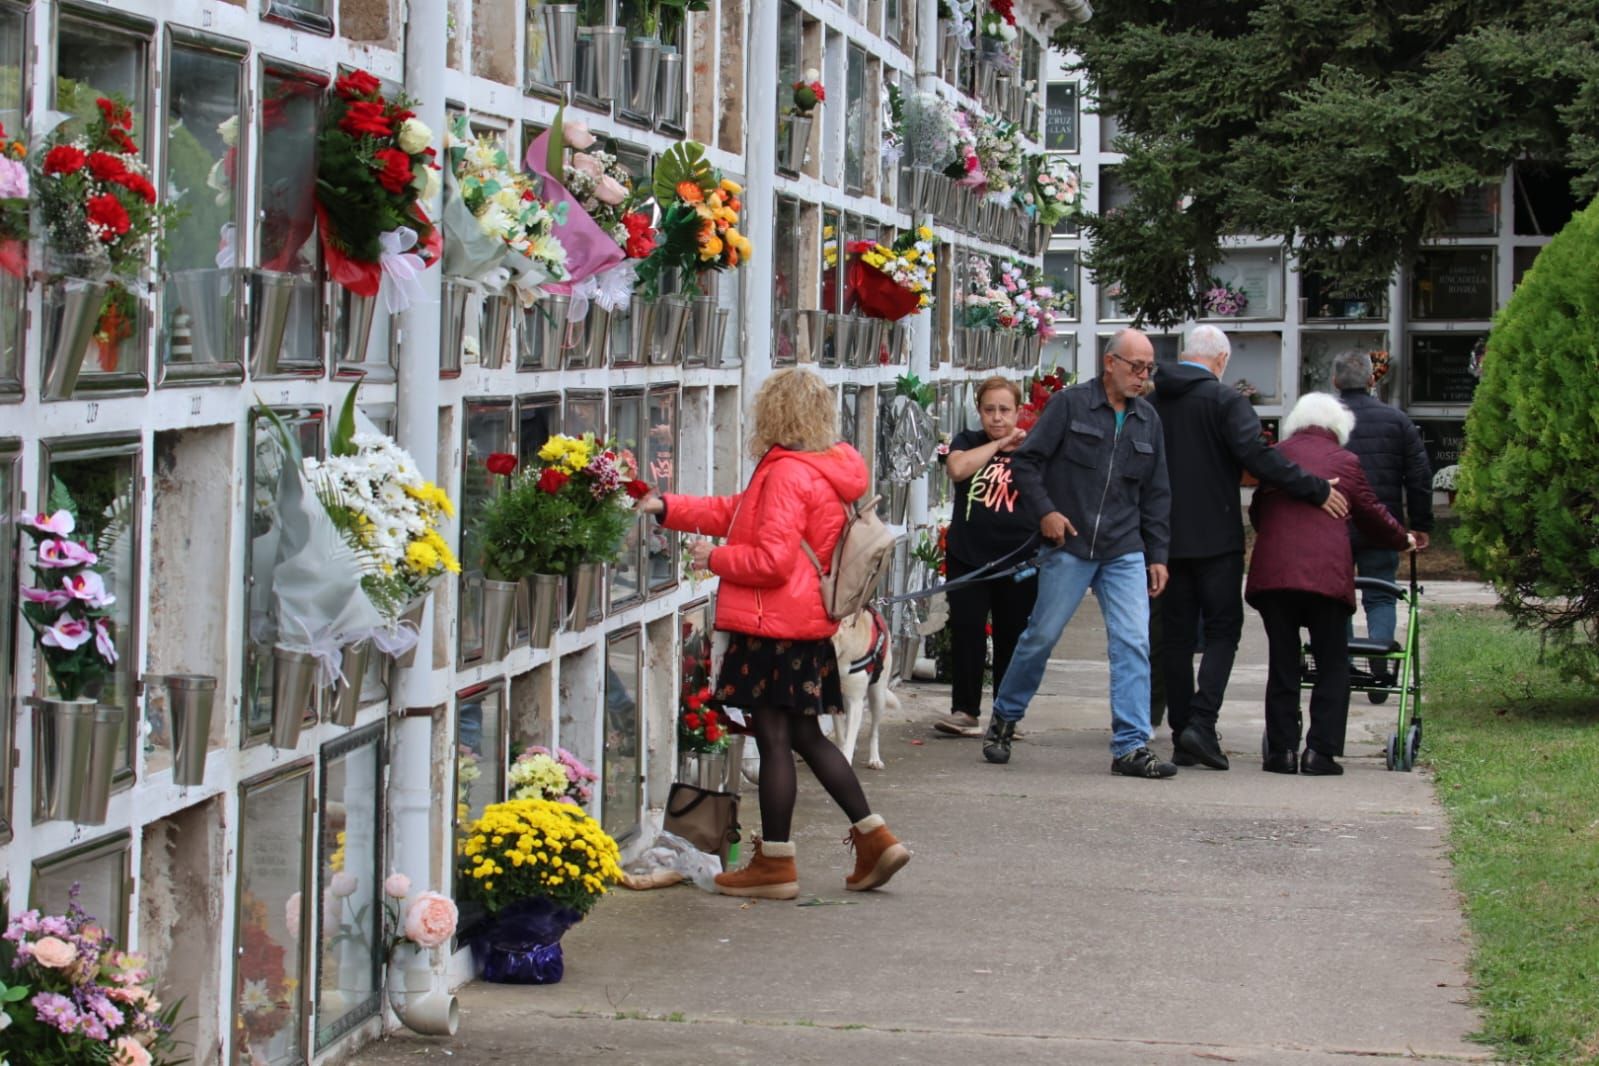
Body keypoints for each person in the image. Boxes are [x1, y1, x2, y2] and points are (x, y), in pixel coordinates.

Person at [636, 368, 911, 899]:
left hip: (771, 626)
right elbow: (738, 515)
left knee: (777, 740)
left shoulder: (787, 474)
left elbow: (770, 560)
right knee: (806, 735)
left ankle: (775, 866)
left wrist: (711, 557)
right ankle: (876, 840)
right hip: (803, 626)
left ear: (774, 413)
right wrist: (668, 507)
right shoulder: (821, 468)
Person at [1151, 325, 1348, 771]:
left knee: (1177, 639)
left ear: (1185, 355)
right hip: (1217, 538)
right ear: (1221, 360)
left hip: (1164, 538)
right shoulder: (1225, 401)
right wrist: (1314, 488)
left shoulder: (1152, 401)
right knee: (1223, 630)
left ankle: (1184, 733)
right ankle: (1202, 721)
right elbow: (1257, 457)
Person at [980, 328, 1176, 778]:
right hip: (1069, 543)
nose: (1144, 377)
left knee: (1133, 640)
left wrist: (1158, 553)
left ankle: (1130, 745)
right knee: (1041, 636)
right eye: (1136, 367)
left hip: (1124, 548)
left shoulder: (1149, 420)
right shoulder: (1070, 404)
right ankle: (1005, 717)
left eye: (1150, 369)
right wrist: (1046, 513)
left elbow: (1158, 492)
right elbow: (1026, 462)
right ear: (1110, 363)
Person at [1246, 393, 1413, 775]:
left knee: (1284, 662)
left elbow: (1258, 512)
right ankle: (1320, 752)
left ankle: (1281, 752)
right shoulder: (1345, 461)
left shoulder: (1276, 455)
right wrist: (1402, 539)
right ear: (1338, 427)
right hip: (1326, 579)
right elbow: (1372, 516)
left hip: (1275, 577)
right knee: (1332, 663)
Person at [931, 376, 1041, 738]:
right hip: (969, 555)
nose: (997, 418)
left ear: (1019, 411)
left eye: (1005, 410)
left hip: (1018, 559)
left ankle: (1006, 712)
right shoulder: (968, 441)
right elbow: (958, 469)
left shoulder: (1034, 447)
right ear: (979, 411)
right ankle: (965, 710)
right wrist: (999, 445)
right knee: (967, 630)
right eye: (989, 410)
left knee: (1013, 634)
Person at [1332, 350, 1433, 698]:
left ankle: (1340, 667)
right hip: (1382, 522)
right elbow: (1419, 475)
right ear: (1372, 380)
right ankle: (1379, 667)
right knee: (1380, 596)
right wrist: (1420, 523)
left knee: (1337, 596)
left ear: (1334, 382)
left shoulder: (1324, 420)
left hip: (1334, 523)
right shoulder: (1396, 420)